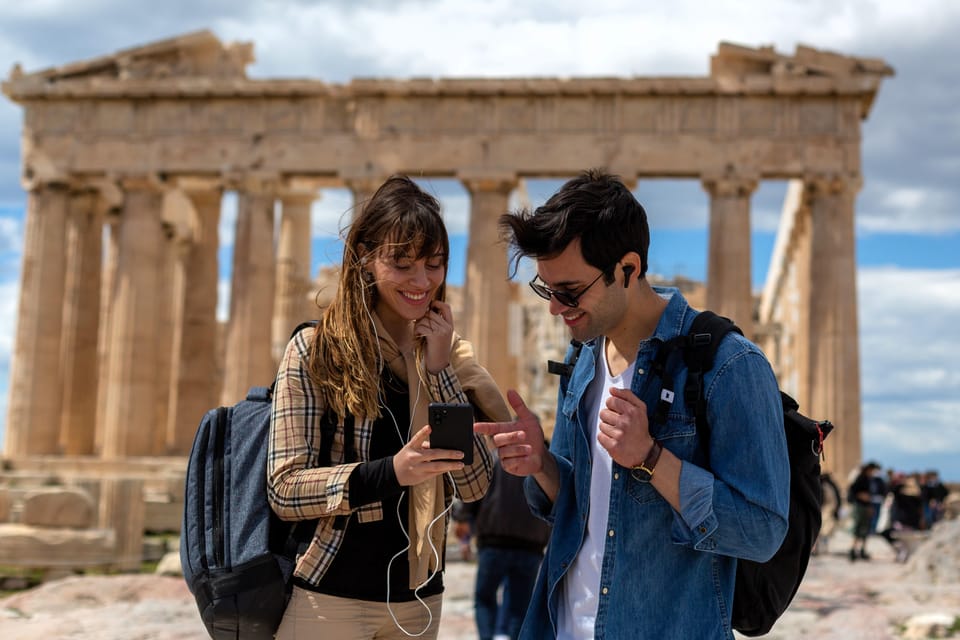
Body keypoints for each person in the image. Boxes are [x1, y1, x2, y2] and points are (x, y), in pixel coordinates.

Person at [475, 169, 790, 639]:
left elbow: (762, 533)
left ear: (628, 268)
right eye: (547, 290)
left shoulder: (728, 365)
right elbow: (579, 505)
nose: (555, 309)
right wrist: (541, 462)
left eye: (569, 291)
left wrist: (651, 458)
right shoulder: (580, 356)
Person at [267, 175, 510, 640]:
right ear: (365, 259)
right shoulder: (316, 350)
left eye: (434, 264)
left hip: (419, 604)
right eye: (402, 264)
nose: (422, 282)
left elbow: (476, 484)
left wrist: (438, 371)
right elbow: (285, 489)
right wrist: (392, 472)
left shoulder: (449, 357)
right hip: (331, 600)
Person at [452, 451, 552, 640]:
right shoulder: (546, 463)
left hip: (494, 544)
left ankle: (488, 636)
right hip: (531, 547)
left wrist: (464, 525)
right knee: (519, 606)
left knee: (484, 599)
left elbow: (472, 496)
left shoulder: (494, 460)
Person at [847, 461, 882, 562]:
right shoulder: (861, 478)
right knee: (858, 528)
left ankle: (862, 550)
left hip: (867, 507)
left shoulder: (869, 479)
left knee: (865, 529)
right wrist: (861, 496)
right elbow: (853, 491)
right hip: (860, 506)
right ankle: (853, 550)